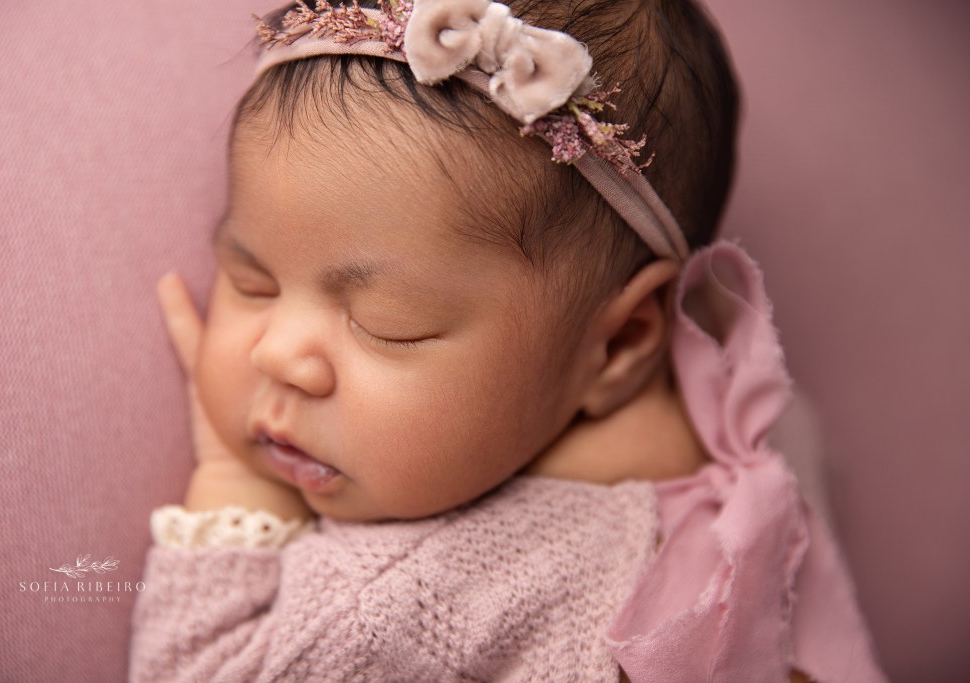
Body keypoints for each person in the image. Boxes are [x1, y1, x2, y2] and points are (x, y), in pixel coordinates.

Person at [129, 0, 886, 680]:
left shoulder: (412, 589)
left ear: (621, 342)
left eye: (388, 322)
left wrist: (235, 483)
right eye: (250, 279)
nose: (274, 354)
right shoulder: (774, 434)